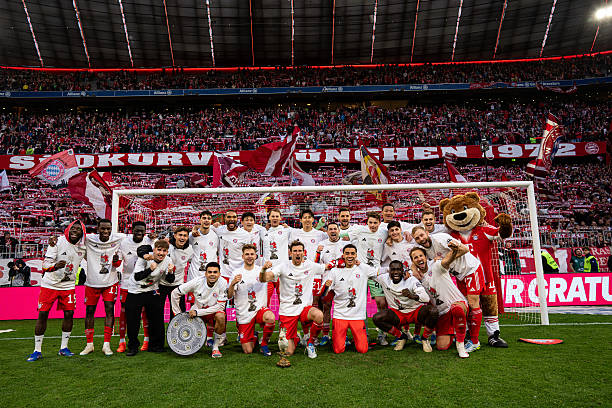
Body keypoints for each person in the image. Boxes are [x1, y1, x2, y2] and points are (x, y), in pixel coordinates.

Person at [412, 226, 489, 352]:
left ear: (427, 233)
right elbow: (415, 258)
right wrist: (413, 267)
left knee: (473, 303)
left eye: (422, 235)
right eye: (417, 238)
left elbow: (464, 249)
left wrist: (446, 258)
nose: (421, 239)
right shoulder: (426, 251)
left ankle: (475, 341)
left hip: (470, 269)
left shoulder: (440, 238)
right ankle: (466, 335)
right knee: (467, 307)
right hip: (459, 276)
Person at [27, 220, 86, 361]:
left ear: (82, 232)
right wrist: (55, 266)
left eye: (78, 229)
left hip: (68, 285)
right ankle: (37, 350)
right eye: (72, 228)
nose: (75, 231)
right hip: (50, 284)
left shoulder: (84, 246)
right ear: (68, 229)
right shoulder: (57, 242)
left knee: (69, 314)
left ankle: (64, 348)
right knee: (43, 314)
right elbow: (45, 265)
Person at [260, 241, 328, 358]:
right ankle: (295, 337)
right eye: (295, 251)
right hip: (288, 310)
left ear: (304, 252)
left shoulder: (310, 265)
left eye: (300, 251)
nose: (297, 253)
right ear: (290, 253)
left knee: (318, 315)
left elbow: (326, 267)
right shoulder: (283, 266)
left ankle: (310, 344)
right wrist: (263, 270)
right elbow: (264, 279)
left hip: (304, 308)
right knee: (288, 352)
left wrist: (341, 262)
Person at [410, 245, 471, 358]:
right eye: (415, 257)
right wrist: (413, 269)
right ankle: (455, 331)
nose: (419, 259)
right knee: (441, 346)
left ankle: (461, 346)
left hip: (457, 303)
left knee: (457, 310)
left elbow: (446, 262)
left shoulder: (436, 265)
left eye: (421, 256)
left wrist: (454, 251)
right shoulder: (417, 277)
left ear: (426, 257)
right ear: (413, 261)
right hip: (442, 313)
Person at [323, 244, 381, 354]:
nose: (350, 256)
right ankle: (342, 338)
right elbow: (324, 296)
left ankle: (353, 339)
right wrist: (326, 287)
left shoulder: (363, 269)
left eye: (352, 253)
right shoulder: (335, 271)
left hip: (357, 316)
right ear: (343, 255)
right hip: (340, 315)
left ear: (356, 255)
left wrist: (361, 264)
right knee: (338, 350)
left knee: (363, 349)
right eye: (347, 253)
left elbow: (378, 272)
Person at [81, 219, 126, 356]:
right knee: (89, 311)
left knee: (110, 310)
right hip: (91, 283)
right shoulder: (89, 239)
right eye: (103, 228)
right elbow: (73, 236)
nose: (106, 231)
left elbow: (135, 237)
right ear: (98, 229)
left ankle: (106, 345)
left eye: (108, 229)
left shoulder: (119, 238)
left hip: (110, 282)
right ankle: (89, 344)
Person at [371, 260, 437, 353]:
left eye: (398, 269)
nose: (396, 272)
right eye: (393, 270)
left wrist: (411, 295)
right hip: (398, 313)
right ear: (389, 271)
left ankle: (425, 339)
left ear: (403, 271)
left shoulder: (411, 280)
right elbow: (368, 272)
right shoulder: (384, 278)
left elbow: (426, 298)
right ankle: (401, 337)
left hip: (415, 311)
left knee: (433, 311)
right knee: (377, 318)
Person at [125, 240, 175, 356]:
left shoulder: (168, 260)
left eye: (164, 251)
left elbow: (170, 281)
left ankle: (156, 346)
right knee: (133, 320)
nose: (161, 253)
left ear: (167, 252)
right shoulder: (145, 258)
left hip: (151, 289)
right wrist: (150, 269)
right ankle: (133, 347)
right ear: (154, 250)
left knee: (156, 318)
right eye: (159, 250)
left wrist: (170, 272)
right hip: (136, 290)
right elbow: (137, 277)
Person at [347, 212, 388, 345]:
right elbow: (343, 235)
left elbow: (398, 232)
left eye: (375, 223)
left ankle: (382, 334)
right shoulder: (359, 231)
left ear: (379, 223)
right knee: (359, 303)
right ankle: (363, 334)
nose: (373, 225)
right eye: (370, 222)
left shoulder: (384, 232)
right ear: (367, 223)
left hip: (375, 272)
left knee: (381, 302)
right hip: (360, 272)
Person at [171, 262, 227, 358]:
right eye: (209, 272)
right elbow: (175, 293)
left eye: (215, 272)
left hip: (209, 312)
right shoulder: (197, 281)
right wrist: (177, 314)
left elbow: (220, 306)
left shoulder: (223, 282)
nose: (212, 274)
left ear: (219, 274)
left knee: (221, 316)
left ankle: (215, 347)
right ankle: (190, 345)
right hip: (197, 312)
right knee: (189, 339)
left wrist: (198, 312)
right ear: (205, 273)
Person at [227, 244, 275, 355]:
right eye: (247, 254)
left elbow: (271, 277)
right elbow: (229, 296)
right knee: (248, 350)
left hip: (259, 310)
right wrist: (232, 284)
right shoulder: (236, 273)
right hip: (244, 313)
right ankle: (254, 335)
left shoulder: (261, 271)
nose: (249, 256)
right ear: (242, 256)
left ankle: (264, 344)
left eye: (252, 254)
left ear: (256, 256)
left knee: (270, 317)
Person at [116, 221, 153, 353]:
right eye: (137, 230)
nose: (139, 233)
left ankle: (147, 340)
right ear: (132, 230)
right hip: (127, 283)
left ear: (145, 231)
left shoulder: (150, 241)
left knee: (145, 313)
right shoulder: (124, 242)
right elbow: (117, 262)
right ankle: (122, 342)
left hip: (144, 282)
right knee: (125, 313)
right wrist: (115, 261)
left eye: (142, 231)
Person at [316, 222, 344, 345]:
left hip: (342, 280)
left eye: (335, 229)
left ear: (339, 231)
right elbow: (317, 263)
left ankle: (341, 334)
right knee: (326, 306)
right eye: (330, 229)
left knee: (342, 307)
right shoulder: (322, 245)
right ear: (327, 232)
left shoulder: (345, 244)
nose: (333, 231)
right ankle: (325, 334)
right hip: (327, 281)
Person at [187, 210, 219, 282]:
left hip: (211, 274)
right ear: (200, 220)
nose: (206, 220)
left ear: (211, 220)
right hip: (195, 274)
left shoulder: (216, 234)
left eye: (209, 218)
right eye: (204, 218)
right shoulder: (192, 235)